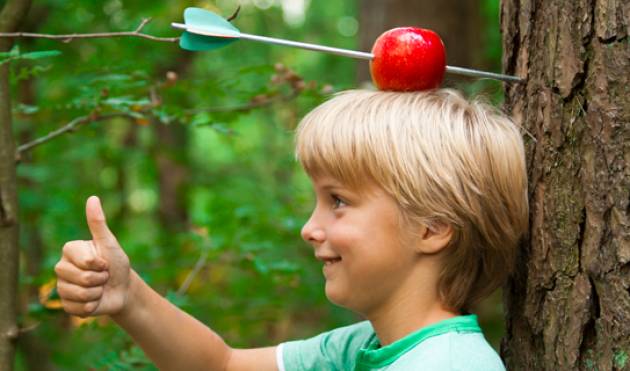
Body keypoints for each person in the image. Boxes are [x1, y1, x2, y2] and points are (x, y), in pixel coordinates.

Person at [55, 88, 529, 370]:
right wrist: (128, 296)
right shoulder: (364, 348)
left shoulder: (449, 366)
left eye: (338, 201)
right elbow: (221, 366)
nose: (309, 228)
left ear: (433, 227)